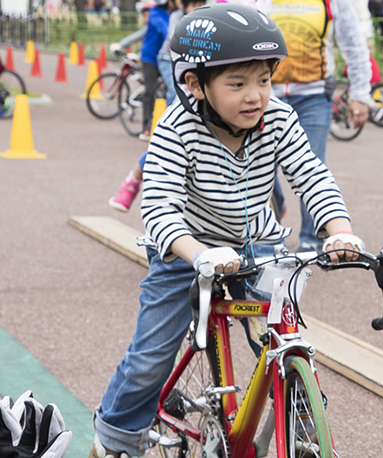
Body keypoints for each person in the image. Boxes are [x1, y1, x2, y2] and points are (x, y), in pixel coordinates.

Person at [89, 5, 365, 458]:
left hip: (257, 244)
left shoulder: (277, 118)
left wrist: (340, 231)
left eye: (263, 80)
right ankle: (115, 439)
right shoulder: (176, 129)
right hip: (185, 250)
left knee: (283, 330)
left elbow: (312, 177)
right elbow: (158, 209)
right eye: (237, 84)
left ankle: (301, 420)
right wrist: (197, 252)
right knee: (150, 357)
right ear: (196, 84)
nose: (255, 96)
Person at [262, 0, 374, 252]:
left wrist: (360, 94)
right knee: (259, 164)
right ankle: (271, 217)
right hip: (267, 94)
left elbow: (353, 44)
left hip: (313, 96)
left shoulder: (333, 2)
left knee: (310, 165)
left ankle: (311, 240)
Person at [107, 0, 216, 213]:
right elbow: (178, 41)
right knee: (175, 120)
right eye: (193, 5)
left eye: (200, 4)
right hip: (169, 62)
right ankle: (133, 178)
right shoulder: (173, 17)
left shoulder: (211, 15)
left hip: (204, 76)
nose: (196, 9)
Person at [110, 0, 169, 140]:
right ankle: (146, 128)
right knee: (150, 91)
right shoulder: (156, 14)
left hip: (164, 58)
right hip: (150, 58)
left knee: (164, 89)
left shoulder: (171, 14)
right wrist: (121, 44)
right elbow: (164, 31)